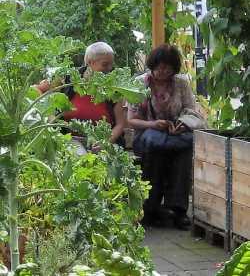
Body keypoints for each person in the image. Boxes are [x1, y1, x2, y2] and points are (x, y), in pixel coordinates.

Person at [127, 44, 205, 230]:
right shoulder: (140, 84)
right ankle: (150, 208)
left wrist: (181, 125)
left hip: (174, 135)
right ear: (152, 65)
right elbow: (132, 120)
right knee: (156, 148)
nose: (163, 71)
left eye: (168, 68)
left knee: (185, 151)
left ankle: (177, 209)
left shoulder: (181, 84)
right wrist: (153, 124)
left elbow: (190, 111)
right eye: (160, 67)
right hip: (147, 135)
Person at [36, 42, 126, 151]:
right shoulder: (68, 78)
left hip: (104, 143)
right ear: (90, 62)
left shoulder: (114, 86)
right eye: (105, 64)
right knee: (78, 155)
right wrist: (49, 116)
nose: (109, 68)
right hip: (70, 140)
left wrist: (106, 142)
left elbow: (120, 124)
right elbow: (36, 90)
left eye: (111, 64)